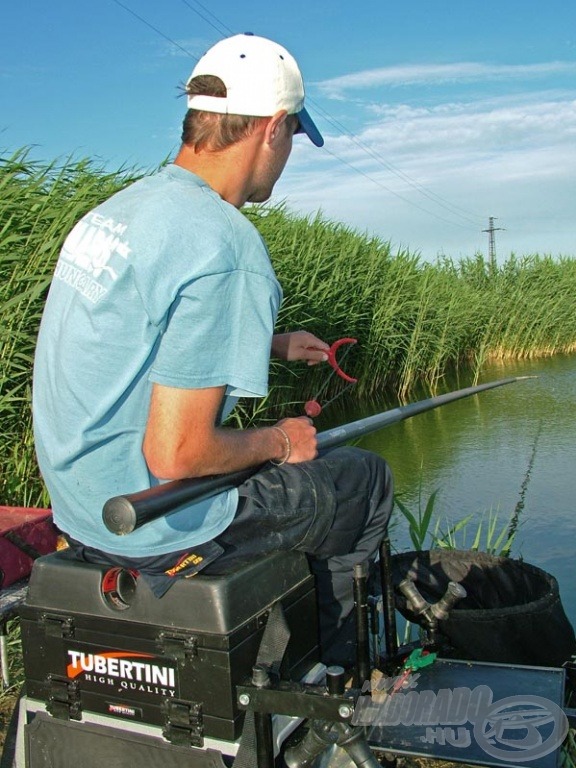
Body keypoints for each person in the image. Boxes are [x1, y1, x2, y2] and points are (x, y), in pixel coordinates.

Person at [32, 32, 394, 666]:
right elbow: (178, 453)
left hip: (80, 510)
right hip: (152, 524)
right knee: (364, 479)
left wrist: (270, 343)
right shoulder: (224, 243)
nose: (285, 158)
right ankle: (328, 677)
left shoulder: (118, 212)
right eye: (291, 142)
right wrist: (282, 441)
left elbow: (135, 335)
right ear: (273, 128)